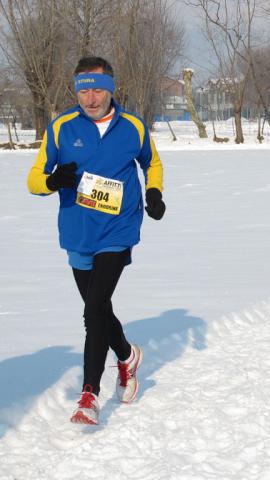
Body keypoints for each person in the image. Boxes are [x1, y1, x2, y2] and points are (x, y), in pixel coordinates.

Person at [27, 57, 165, 424]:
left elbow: (152, 162)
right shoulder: (61, 127)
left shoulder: (132, 126)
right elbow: (34, 179)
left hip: (119, 229)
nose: (91, 98)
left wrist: (154, 192)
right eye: (84, 90)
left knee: (93, 311)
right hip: (78, 231)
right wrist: (53, 182)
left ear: (111, 88)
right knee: (98, 306)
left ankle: (89, 395)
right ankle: (126, 354)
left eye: (98, 89)